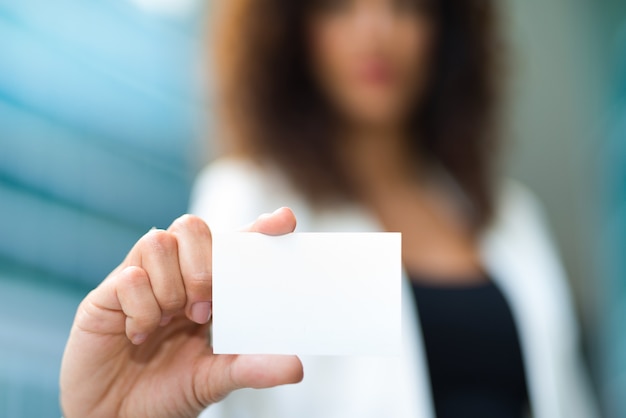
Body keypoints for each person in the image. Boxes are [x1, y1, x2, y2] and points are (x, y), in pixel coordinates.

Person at [60, 0, 599, 417]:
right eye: (337, 3)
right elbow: (214, 392)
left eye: (406, 4)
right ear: (292, 27)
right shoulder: (250, 199)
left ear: (444, 29)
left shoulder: (512, 218)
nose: (376, 30)